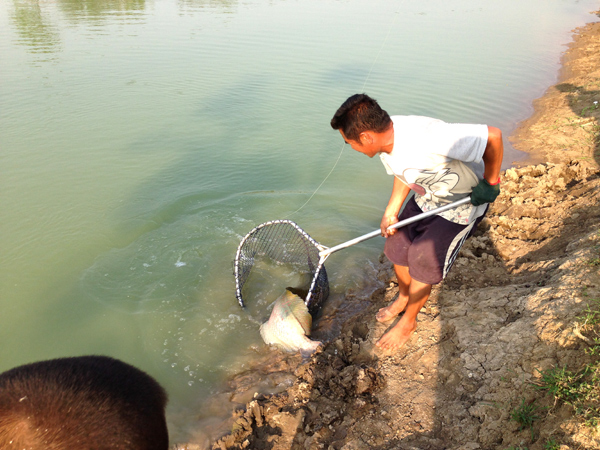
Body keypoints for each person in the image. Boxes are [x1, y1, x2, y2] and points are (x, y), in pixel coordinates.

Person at [330, 93, 503, 352]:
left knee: (422, 258)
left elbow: (493, 136)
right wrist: (391, 210)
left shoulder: (429, 137)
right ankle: (402, 297)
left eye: (349, 142)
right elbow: (405, 171)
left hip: (461, 204)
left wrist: (491, 182)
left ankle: (409, 321)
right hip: (428, 198)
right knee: (397, 246)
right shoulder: (386, 140)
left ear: (365, 137)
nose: (351, 147)